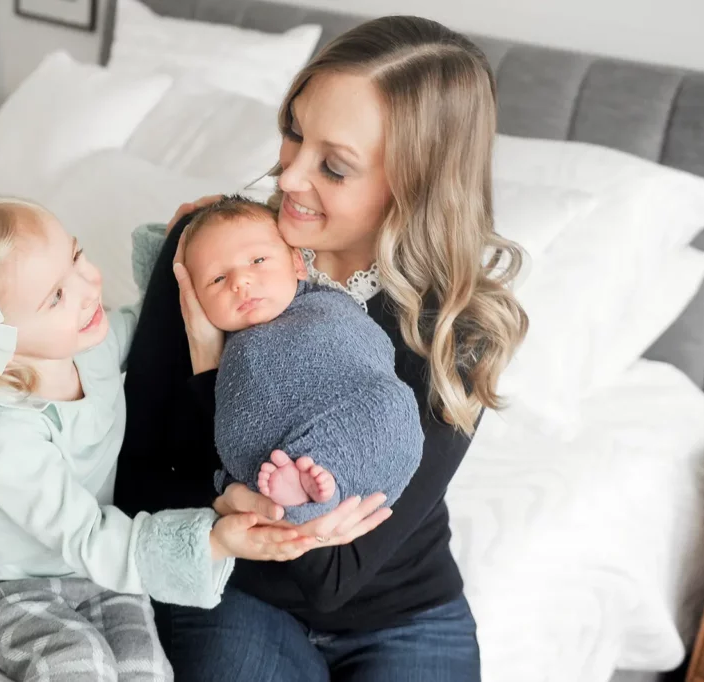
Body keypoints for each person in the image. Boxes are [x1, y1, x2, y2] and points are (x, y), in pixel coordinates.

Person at [117, 14, 528, 682]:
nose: (287, 177)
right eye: (293, 132)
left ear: (414, 185)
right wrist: (223, 493)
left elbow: (336, 575)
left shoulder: (456, 328)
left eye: (333, 166)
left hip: (406, 613)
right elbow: (135, 483)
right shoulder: (223, 250)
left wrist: (217, 381)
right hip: (234, 589)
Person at [0, 197, 316, 682]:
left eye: (76, 257)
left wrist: (181, 247)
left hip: (93, 572)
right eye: (55, 296)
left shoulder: (89, 344)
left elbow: (153, 320)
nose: (90, 285)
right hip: (0, 581)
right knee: (77, 662)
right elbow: (84, 532)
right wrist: (210, 541)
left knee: (147, 667)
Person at [178, 195, 424, 524]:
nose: (240, 282)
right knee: (277, 473)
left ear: (297, 264)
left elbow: (369, 351)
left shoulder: (326, 306)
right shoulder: (228, 349)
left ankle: (315, 487)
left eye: (258, 261)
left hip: (358, 429)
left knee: (392, 403)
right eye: (217, 280)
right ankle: (306, 491)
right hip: (266, 461)